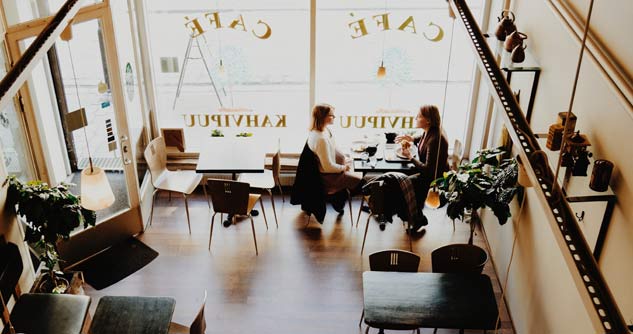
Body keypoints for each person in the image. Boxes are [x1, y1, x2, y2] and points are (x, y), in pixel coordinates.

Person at [396, 105, 449, 232]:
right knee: (402, 178)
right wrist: (412, 139)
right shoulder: (430, 131)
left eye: (419, 116)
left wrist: (410, 157)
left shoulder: (436, 139)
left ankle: (417, 218)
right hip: (428, 172)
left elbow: (427, 170)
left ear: (428, 120)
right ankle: (413, 214)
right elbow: (423, 138)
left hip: (434, 177)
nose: (416, 118)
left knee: (403, 185)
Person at [307, 103, 363, 213]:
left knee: (359, 178)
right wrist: (343, 168)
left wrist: (345, 158)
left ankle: (338, 198)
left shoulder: (324, 130)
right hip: (329, 177)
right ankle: (336, 197)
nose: (334, 117)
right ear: (323, 117)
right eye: (331, 115)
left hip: (334, 171)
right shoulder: (320, 139)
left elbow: (332, 149)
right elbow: (327, 167)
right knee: (363, 184)